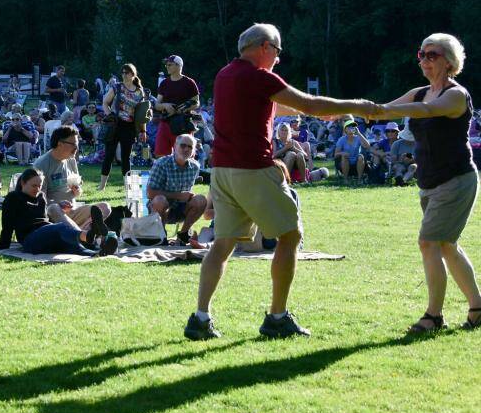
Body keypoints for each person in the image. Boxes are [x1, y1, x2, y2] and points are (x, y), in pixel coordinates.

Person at [186, 23, 378, 341]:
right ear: (264, 47)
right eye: (277, 51)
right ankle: (277, 317)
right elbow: (308, 104)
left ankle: (200, 317)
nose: (278, 58)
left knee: (223, 244)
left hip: (223, 172)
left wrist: (317, 111)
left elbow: (274, 104)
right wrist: (354, 105)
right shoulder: (261, 77)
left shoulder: (225, 75)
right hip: (253, 170)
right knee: (291, 235)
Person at [371, 33, 481, 332]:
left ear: (449, 61)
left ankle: (433, 317)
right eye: (422, 54)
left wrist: (388, 110)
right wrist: (343, 109)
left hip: (457, 180)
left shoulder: (456, 95)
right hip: (430, 182)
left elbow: (428, 111)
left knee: (429, 242)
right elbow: (382, 109)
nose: (424, 60)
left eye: (431, 55)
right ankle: (478, 307)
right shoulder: (418, 92)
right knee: (447, 246)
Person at [0, 168, 112, 256]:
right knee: (60, 228)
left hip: (46, 232)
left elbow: (45, 220)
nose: (37, 189)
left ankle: (93, 252)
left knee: (67, 243)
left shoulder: (41, 197)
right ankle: (88, 236)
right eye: (34, 186)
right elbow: (7, 226)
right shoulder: (13, 198)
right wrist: (3, 248)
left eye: (40, 186)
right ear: (23, 183)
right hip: (30, 239)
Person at [33, 125, 112, 236]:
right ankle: (81, 236)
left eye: (77, 144)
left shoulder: (71, 161)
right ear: (60, 144)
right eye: (74, 144)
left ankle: (82, 233)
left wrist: (77, 190)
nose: (77, 148)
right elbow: (39, 200)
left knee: (104, 207)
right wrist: (59, 204)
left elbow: (77, 192)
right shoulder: (42, 164)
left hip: (73, 211)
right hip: (54, 214)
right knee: (54, 209)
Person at [147, 133, 207, 245]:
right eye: (183, 145)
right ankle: (161, 235)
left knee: (201, 200)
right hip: (160, 207)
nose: (186, 149)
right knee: (160, 200)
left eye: (190, 147)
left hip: (181, 208)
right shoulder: (161, 163)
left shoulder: (195, 167)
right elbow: (150, 193)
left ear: (193, 151)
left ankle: (183, 235)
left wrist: (187, 196)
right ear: (175, 146)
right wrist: (179, 195)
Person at [98, 63, 148, 191]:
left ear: (133, 74)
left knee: (126, 157)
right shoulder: (117, 87)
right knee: (109, 155)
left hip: (130, 127)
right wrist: (110, 115)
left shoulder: (139, 91)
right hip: (115, 125)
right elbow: (105, 102)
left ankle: (128, 187)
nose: (124, 75)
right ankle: (102, 186)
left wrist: (143, 131)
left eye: (127, 72)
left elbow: (141, 114)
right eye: (123, 73)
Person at [155, 55, 201, 158]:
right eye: (166, 64)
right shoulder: (164, 83)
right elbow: (157, 105)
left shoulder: (189, 82)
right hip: (165, 122)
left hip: (183, 124)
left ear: (178, 65)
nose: (167, 66)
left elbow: (197, 102)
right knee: (161, 155)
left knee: (185, 156)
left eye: (170, 64)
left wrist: (183, 109)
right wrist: (165, 105)